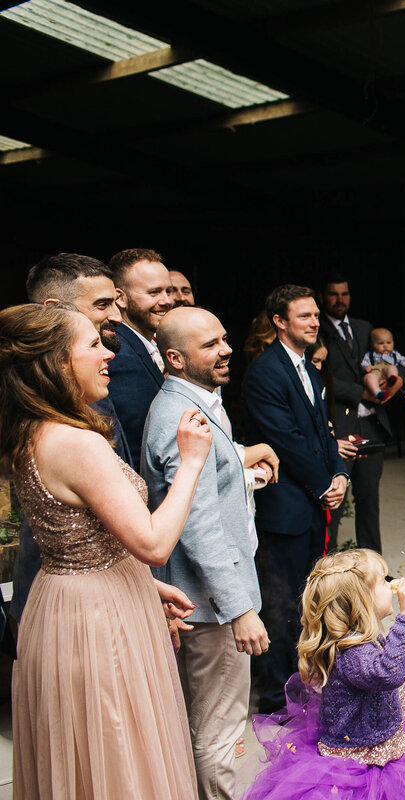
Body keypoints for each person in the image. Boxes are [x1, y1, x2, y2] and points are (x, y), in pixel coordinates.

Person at [1, 302, 211, 798]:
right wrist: (190, 463)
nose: (107, 356)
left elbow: (73, 534)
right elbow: (155, 542)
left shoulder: (33, 432)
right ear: (57, 363)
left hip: (66, 601)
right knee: (117, 755)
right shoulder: (75, 443)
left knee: (89, 756)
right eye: (93, 343)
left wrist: (143, 584)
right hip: (97, 621)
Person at [142, 306, 277, 799]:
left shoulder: (198, 398)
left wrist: (246, 457)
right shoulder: (181, 415)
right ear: (175, 358)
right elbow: (197, 525)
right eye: (209, 345)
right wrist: (238, 607)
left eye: (224, 339)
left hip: (212, 598)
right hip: (210, 605)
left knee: (216, 723)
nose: (225, 350)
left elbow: (213, 470)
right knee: (218, 729)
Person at [242, 549, 405, 800]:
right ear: (362, 600)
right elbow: (387, 674)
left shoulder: (363, 641)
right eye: (383, 580)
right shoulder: (353, 650)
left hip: (388, 752)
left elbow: (376, 689)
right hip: (356, 774)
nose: (391, 585)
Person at [242, 284, 349, 713]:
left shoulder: (309, 368)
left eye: (316, 316)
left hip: (310, 505)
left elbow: (322, 432)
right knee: (281, 605)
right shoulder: (265, 372)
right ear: (279, 322)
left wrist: (339, 472)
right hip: (283, 509)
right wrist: (323, 484)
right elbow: (283, 440)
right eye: (304, 316)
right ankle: (274, 701)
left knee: (308, 604)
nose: (314, 322)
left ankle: (304, 687)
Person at [13, 253, 136, 623]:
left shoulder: (90, 375)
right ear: (54, 309)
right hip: (70, 600)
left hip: (109, 583)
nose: (116, 314)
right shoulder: (52, 411)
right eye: (102, 304)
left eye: (116, 301)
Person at [318, 275, 390, 554]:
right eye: (334, 294)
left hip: (370, 425)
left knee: (369, 500)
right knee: (335, 501)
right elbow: (323, 376)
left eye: (344, 294)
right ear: (324, 297)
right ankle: (328, 568)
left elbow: (386, 356)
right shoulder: (317, 328)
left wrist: (390, 383)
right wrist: (361, 391)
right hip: (339, 426)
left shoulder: (364, 328)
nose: (340, 300)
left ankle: (373, 568)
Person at [108, 247, 172, 471]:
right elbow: (138, 440)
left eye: (168, 291)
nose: (166, 301)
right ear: (120, 298)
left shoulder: (147, 346)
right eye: (154, 292)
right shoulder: (120, 353)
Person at [362, 326, 405, 401]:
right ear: (372, 344)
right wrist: (366, 366)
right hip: (375, 372)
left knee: (392, 368)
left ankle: (392, 379)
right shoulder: (370, 354)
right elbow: (364, 362)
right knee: (369, 377)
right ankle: (378, 393)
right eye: (380, 343)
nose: (385, 346)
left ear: (393, 342)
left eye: (388, 343)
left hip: (387, 373)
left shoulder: (395, 355)